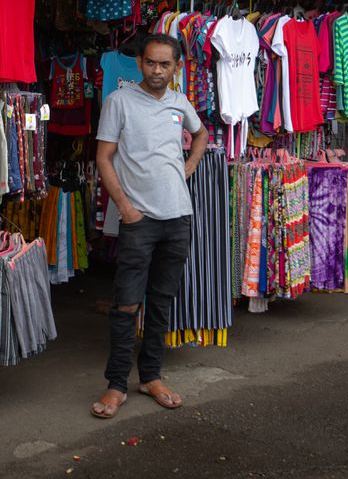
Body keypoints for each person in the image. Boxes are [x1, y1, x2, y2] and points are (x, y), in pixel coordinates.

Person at [90, 33, 208, 419]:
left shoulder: (179, 102)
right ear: (140, 62)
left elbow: (202, 134)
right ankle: (116, 384)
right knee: (126, 303)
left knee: (161, 301)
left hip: (178, 217)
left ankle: (152, 376)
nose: (157, 70)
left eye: (165, 64)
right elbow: (104, 158)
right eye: (151, 63)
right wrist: (125, 208)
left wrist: (187, 169)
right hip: (138, 220)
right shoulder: (119, 101)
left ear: (177, 67)